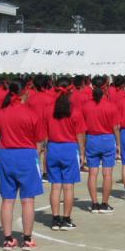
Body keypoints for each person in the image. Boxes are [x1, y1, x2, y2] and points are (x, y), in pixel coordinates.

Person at [0, 80, 47, 251]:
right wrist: (37, 157)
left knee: (7, 200)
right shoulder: (31, 114)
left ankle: (8, 239)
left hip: (6, 155)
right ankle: (27, 239)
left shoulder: (2, 113)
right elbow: (40, 139)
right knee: (27, 200)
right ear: (25, 92)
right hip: (26, 155)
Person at [46, 80, 87, 230]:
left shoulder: (49, 110)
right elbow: (80, 135)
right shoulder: (75, 111)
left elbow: (44, 134)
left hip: (53, 147)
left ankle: (55, 219)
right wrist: (82, 153)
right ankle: (66, 219)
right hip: (69, 149)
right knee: (68, 187)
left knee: (56, 186)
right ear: (70, 92)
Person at [82, 76, 120, 213]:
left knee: (92, 173)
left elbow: (83, 126)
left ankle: (94, 203)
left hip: (92, 139)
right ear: (105, 87)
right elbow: (116, 127)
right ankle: (104, 203)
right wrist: (118, 144)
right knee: (107, 174)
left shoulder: (86, 106)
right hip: (107, 139)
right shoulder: (110, 106)